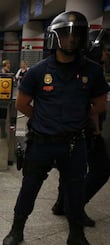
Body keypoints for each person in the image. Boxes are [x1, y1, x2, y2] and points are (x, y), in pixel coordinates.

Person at [2, 11, 108, 245]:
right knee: (29, 188)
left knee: (75, 191)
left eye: (77, 35)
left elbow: (100, 103)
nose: (72, 39)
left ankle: (76, 235)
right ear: (55, 38)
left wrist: (76, 117)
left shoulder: (92, 71)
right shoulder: (39, 71)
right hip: (42, 143)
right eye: (66, 34)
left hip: (75, 144)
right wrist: (44, 119)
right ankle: (17, 229)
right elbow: (22, 104)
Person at [51, 28, 110, 227]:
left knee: (69, 169)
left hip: (74, 130)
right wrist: (96, 130)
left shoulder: (86, 70)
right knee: (100, 170)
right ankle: (73, 205)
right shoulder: (90, 72)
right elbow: (91, 106)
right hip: (86, 129)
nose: (107, 53)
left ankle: (62, 203)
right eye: (105, 49)